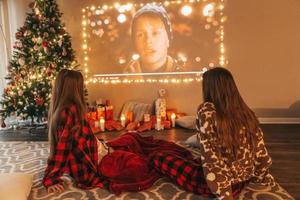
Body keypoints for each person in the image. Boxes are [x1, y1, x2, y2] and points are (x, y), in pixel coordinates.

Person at [43, 69, 193, 194]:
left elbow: (66, 146)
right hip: (98, 158)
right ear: (75, 88)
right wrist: (51, 179)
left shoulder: (60, 110)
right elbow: (61, 150)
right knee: (144, 160)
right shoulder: (70, 111)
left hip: (100, 149)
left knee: (132, 138)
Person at [152, 67, 275, 199]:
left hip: (218, 183)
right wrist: (260, 176)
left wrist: (224, 194)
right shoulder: (246, 112)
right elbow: (261, 152)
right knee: (185, 153)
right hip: (243, 180)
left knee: (158, 156)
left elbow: (211, 157)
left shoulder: (207, 111)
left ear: (209, 87)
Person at [124, 4, 182, 74]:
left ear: (168, 40)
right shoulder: (122, 79)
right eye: (140, 35)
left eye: (155, 33)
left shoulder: (187, 77)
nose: (148, 41)